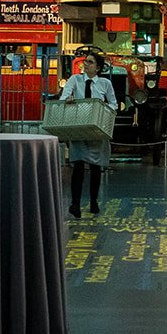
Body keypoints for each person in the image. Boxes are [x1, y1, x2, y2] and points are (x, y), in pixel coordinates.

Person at [60, 52, 118, 219]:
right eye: (85, 62)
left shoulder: (105, 83)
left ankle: (94, 202)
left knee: (95, 167)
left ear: (98, 68)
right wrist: (68, 99)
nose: (86, 64)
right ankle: (75, 204)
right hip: (79, 127)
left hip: (96, 129)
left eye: (90, 62)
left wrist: (104, 108)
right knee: (77, 166)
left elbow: (113, 103)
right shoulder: (74, 80)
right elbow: (64, 97)